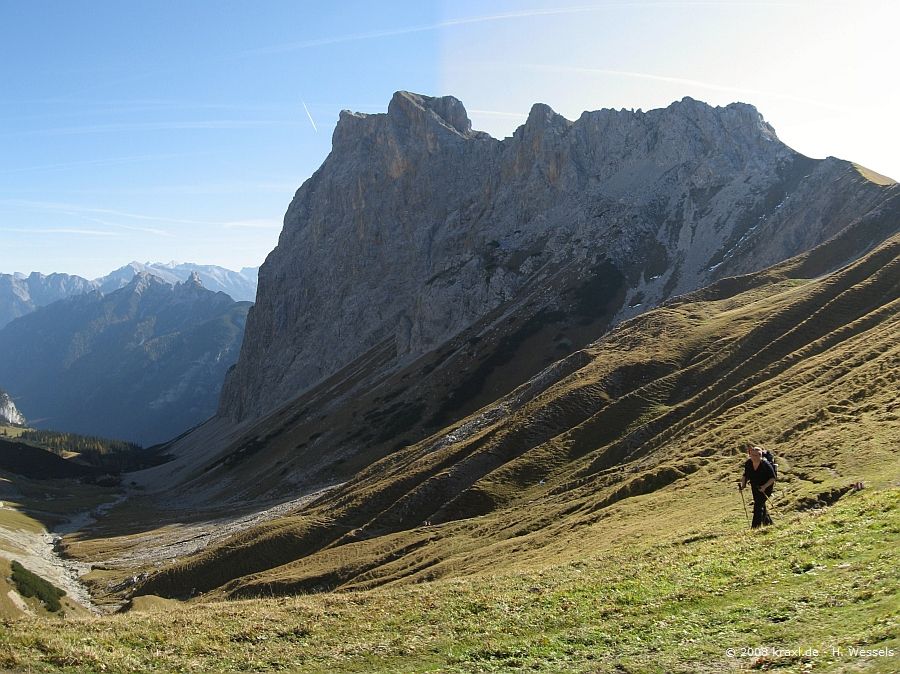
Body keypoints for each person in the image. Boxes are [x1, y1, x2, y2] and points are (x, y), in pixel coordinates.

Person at [739, 444, 775, 528]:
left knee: (758, 506)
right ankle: (769, 524)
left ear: (760, 455)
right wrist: (743, 485)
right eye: (752, 455)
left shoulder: (765, 464)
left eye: (756, 455)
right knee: (761, 505)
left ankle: (755, 527)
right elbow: (746, 475)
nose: (754, 457)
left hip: (766, 488)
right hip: (755, 487)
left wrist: (764, 487)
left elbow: (773, 478)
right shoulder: (748, 463)